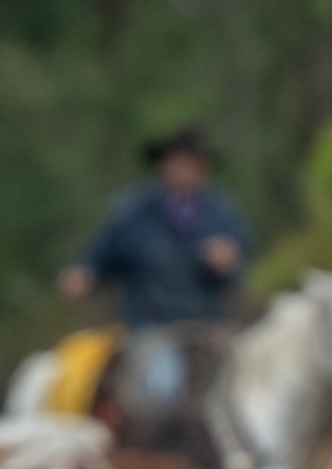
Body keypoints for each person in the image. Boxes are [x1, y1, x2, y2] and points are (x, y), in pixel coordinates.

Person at [57, 125, 251, 413]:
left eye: (195, 162)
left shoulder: (223, 213)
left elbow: (241, 266)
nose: (188, 169)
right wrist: (84, 274)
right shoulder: (132, 213)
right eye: (181, 161)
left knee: (246, 389)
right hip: (153, 328)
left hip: (209, 327)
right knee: (164, 389)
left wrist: (228, 263)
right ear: (163, 164)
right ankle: (161, 447)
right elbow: (100, 257)